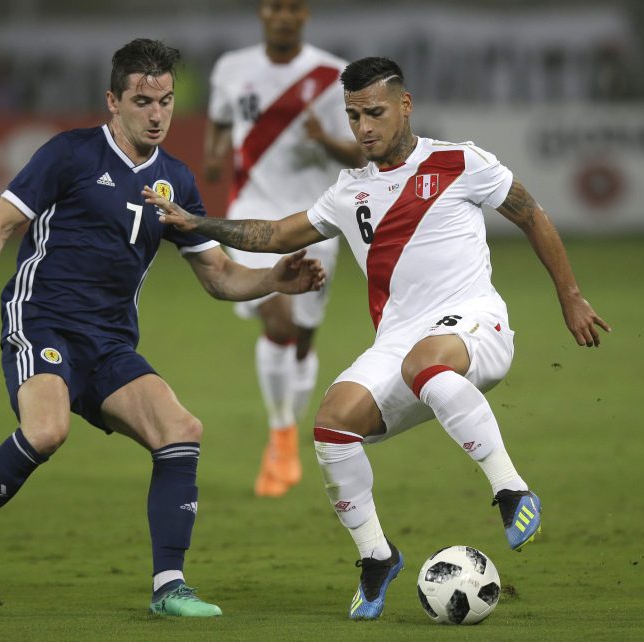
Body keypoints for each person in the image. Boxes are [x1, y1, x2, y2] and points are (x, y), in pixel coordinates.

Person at [147, 56, 610, 620]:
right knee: (332, 424)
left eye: (375, 112)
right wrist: (197, 222)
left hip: (474, 323)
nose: (363, 127)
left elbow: (530, 213)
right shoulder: (349, 191)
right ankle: (377, 556)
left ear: (405, 105)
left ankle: (512, 490)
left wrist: (571, 296)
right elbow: (271, 234)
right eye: (353, 115)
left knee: (425, 364)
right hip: (401, 343)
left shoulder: (459, 162)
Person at [0, 38, 325, 619]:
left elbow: (220, 277)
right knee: (46, 431)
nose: (157, 114)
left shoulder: (175, 180)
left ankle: (169, 586)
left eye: (167, 101)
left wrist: (276, 278)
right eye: (143, 100)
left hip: (109, 342)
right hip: (41, 319)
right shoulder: (70, 155)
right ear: (113, 102)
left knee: (181, 428)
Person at [203, 0, 364, 498]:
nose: (284, 16)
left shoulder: (333, 74)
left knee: (304, 339)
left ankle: (287, 434)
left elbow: (362, 150)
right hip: (253, 215)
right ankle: (281, 433)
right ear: (262, 12)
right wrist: (212, 155)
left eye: (293, 8)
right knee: (279, 319)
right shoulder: (232, 68)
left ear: (305, 15)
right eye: (276, 7)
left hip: (316, 217)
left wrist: (325, 140)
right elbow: (221, 124)